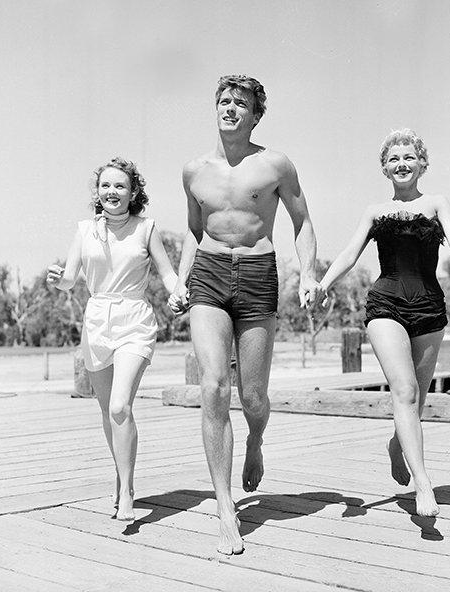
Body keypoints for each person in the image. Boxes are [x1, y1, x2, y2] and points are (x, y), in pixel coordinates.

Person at [169, 75, 323, 554]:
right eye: (223, 101)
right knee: (215, 385)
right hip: (209, 276)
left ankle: (255, 441)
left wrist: (311, 274)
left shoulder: (275, 164)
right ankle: (224, 505)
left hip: (258, 274)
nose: (230, 108)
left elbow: (302, 222)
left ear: (256, 114)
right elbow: (195, 233)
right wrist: (180, 280)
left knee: (253, 396)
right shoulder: (194, 171)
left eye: (240, 103)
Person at [320, 129, 450, 517]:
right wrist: (323, 283)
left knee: (418, 400)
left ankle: (397, 445)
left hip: (430, 308)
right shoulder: (374, 212)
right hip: (386, 304)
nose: (402, 164)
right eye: (394, 158)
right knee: (405, 391)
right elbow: (350, 252)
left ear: (422, 163)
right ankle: (424, 484)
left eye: (409, 157)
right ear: (384, 167)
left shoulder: (436, 203)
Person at [47, 157, 178, 521]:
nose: (112, 192)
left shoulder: (146, 228)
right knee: (107, 411)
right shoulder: (85, 230)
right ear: (97, 192)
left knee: (121, 406)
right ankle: (122, 480)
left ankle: (127, 488)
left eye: (120, 186)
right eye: (106, 185)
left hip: (134, 320)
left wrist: (178, 292)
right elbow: (70, 279)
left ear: (133, 192)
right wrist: (56, 277)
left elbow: (168, 275)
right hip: (97, 323)